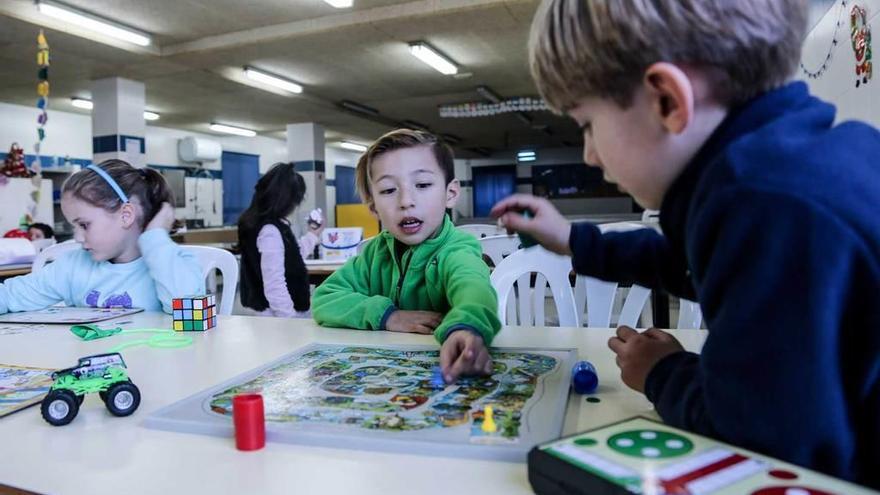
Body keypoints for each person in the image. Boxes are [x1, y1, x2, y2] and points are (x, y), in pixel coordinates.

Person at [491, 0, 880, 488]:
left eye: (587, 123)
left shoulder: (766, 206)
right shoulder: (788, 168)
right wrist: (573, 241)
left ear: (668, 102)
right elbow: (691, 264)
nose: (589, 154)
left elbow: (762, 441)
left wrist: (663, 372)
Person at [313, 129, 501, 383]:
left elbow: (474, 289)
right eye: (389, 190)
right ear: (373, 207)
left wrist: (467, 328)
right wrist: (388, 316)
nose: (406, 201)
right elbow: (325, 299)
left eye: (422, 185)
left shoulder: (457, 249)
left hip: (442, 372)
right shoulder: (374, 254)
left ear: (451, 194)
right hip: (386, 377)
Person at [0, 159, 204, 314]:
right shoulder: (72, 265)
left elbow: (188, 312)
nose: (78, 238)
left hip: (158, 367)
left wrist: (155, 237)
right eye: (74, 226)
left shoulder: (175, 263)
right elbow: (10, 296)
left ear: (126, 215)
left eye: (84, 225)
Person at [238, 162, 321, 318]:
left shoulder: (267, 224)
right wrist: (290, 320)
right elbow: (274, 284)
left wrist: (312, 234)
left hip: (274, 313)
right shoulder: (270, 231)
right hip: (276, 316)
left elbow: (290, 257)